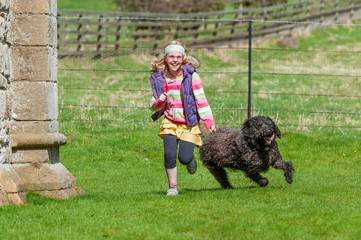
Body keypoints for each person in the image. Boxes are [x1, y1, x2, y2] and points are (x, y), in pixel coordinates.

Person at [149, 41, 216, 196]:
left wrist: (209, 121)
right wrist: (159, 102)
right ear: (165, 58)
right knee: (169, 155)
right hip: (170, 122)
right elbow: (153, 105)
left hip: (189, 123)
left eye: (178, 57)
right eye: (171, 56)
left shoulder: (191, 77)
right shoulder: (160, 78)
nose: (175, 60)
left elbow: (201, 101)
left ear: (183, 58)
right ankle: (173, 187)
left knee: (184, 158)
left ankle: (190, 160)